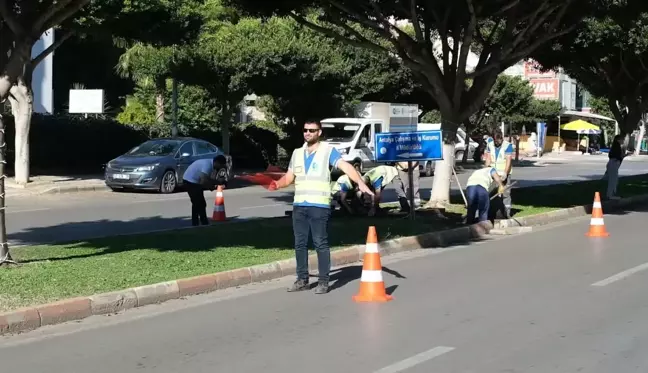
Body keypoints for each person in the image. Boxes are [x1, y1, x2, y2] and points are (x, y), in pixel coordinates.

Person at [269, 119, 373, 294]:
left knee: (320, 243)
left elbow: (345, 166)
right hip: (299, 205)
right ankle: (302, 279)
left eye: (312, 130)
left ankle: (324, 281)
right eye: (305, 130)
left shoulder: (327, 151)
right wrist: (277, 184)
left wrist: (360, 182)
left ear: (319, 132)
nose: (308, 133)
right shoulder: (297, 153)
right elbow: (289, 177)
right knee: (299, 243)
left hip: (319, 206)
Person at [182, 155, 228, 226]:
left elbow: (207, 179)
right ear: (217, 163)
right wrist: (212, 187)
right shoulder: (208, 165)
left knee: (200, 203)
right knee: (197, 203)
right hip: (190, 181)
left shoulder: (210, 164)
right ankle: (199, 223)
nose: (220, 168)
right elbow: (203, 180)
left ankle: (200, 223)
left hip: (194, 181)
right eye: (220, 166)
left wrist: (217, 183)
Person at [485, 131, 514, 218]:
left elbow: (508, 161)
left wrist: (505, 173)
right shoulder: (490, 144)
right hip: (493, 173)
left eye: (499, 140)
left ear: (501, 138)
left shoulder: (507, 145)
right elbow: (488, 158)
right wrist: (486, 169)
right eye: (495, 141)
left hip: (504, 173)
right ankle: (493, 213)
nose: (497, 143)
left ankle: (506, 213)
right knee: (493, 193)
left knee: (505, 193)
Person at [605, 135, 625, 200]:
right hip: (614, 163)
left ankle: (612, 194)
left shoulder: (616, 146)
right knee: (613, 180)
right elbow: (617, 156)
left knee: (614, 179)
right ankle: (610, 195)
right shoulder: (616, 147)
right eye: (622, 139)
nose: (623, 141)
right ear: (618, 140)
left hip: (613, 163)